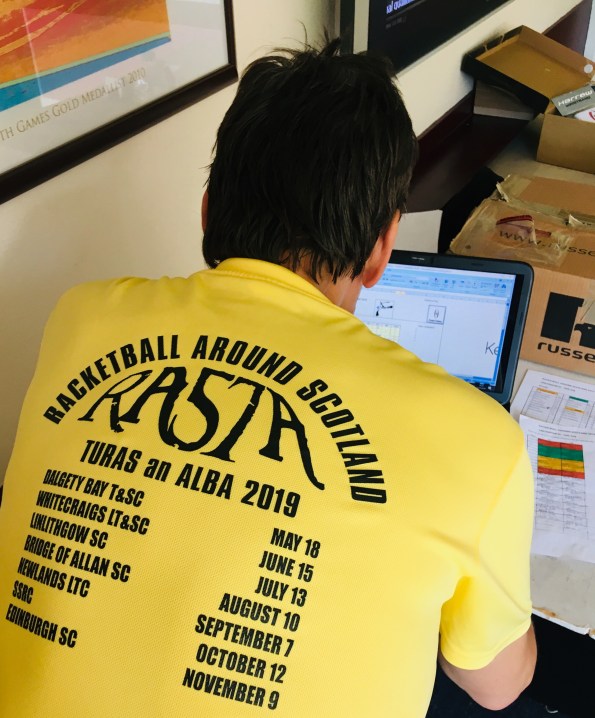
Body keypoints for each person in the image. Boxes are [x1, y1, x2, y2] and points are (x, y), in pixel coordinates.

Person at [0, 38, 535, 717]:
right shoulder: (479, 442)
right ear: (381, 248)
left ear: (206, 211)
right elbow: (497, 687)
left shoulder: (80, 318)